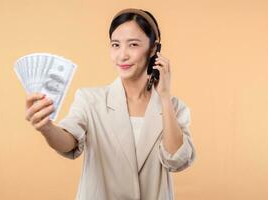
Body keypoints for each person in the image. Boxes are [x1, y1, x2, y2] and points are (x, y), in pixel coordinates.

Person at [25, 8, 196, 200]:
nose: (122, 55)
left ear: (154, 49)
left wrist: (164, 97)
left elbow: (177, 160)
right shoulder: (89, 100)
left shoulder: (174, 108)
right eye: (115, 45)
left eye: (133, 44)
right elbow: (69, 143)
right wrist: (47, 127)